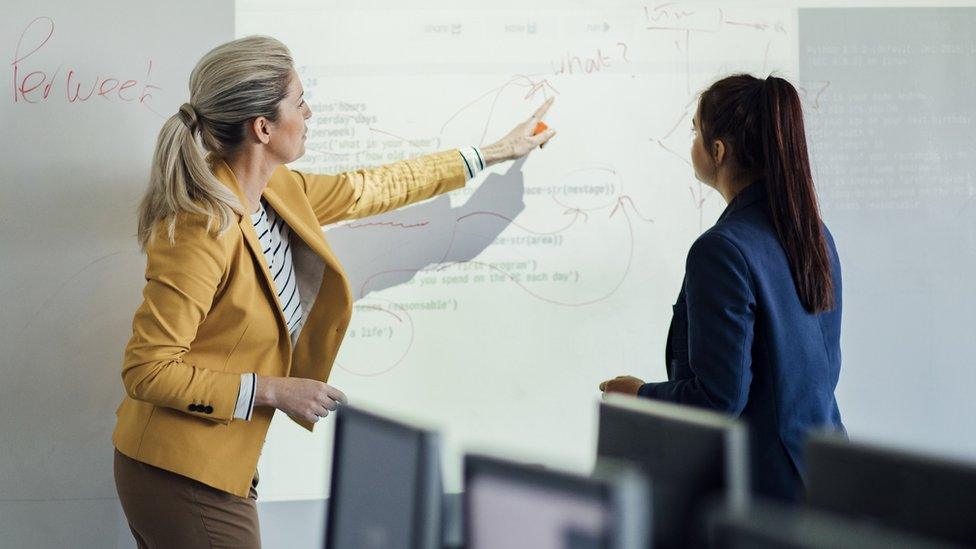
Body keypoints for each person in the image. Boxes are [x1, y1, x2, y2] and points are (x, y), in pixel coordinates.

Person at [112, 35, 555, 548]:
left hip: (214, 465)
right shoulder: (202, 227)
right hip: (179, 473)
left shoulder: (279, 191)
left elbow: (375, 186)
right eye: (299, 102)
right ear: (263, 127)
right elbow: (147, 369)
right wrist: (274, 389)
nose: (310, 111)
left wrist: (495, 151)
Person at [600, 74, 844, 501]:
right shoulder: (814, 233)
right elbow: (820, 372)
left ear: (718, 151)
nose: (691, 141)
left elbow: (719, 399)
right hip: (826, 480)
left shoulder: (721, 250)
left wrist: (638, 394)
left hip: (764, 496)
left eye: (696, 130)